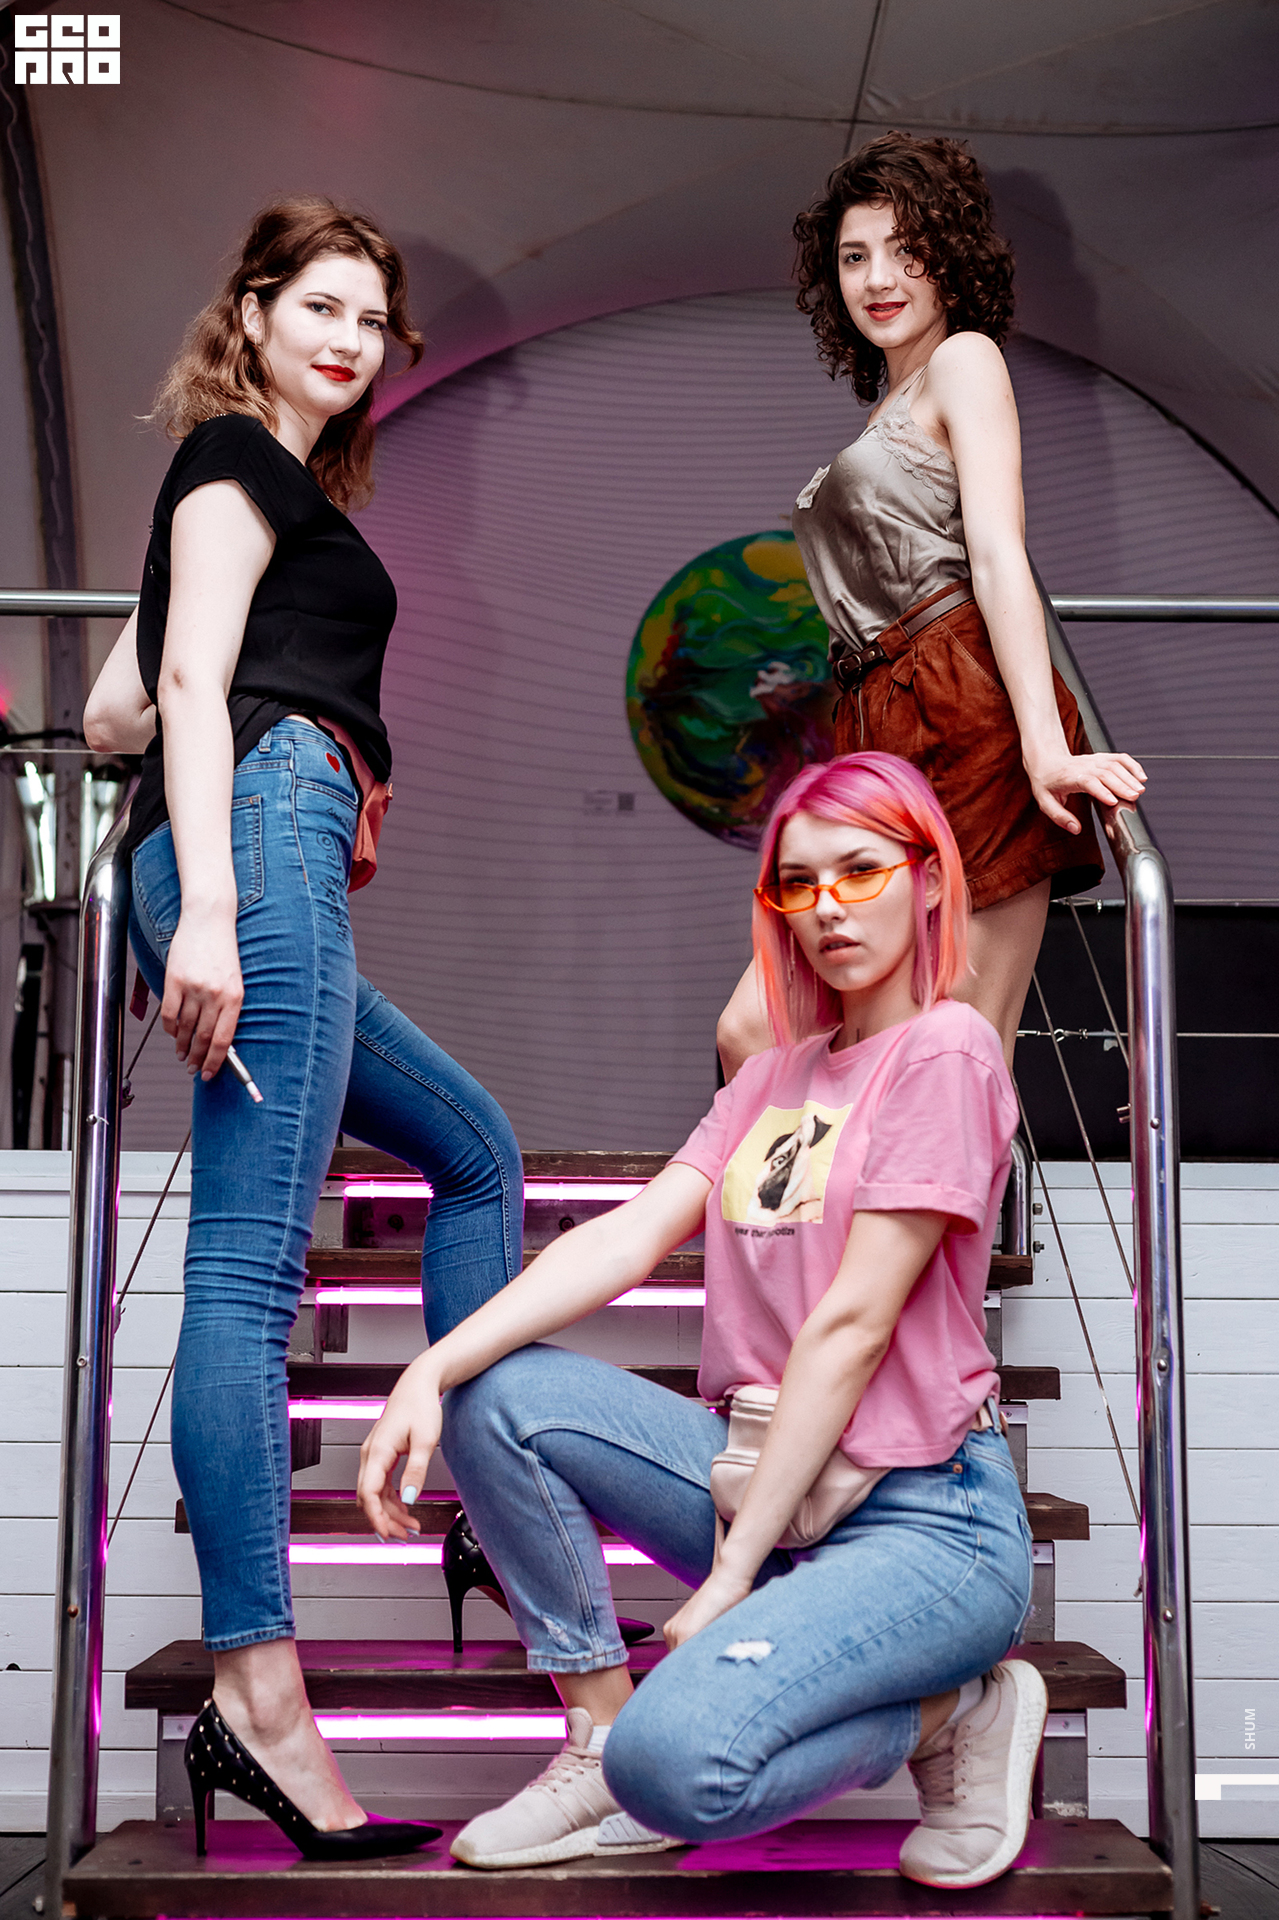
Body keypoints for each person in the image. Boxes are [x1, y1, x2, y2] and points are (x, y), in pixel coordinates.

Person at [358, 751, 1047, 1892]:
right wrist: (426, 1371)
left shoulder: (948, 1052)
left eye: (862, 871)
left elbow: (851, 1326)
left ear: (929, 881)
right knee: (497, 1392)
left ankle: (950, 1714)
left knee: (675, 1770)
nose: (829, 906)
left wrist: (729, 1577)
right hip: (766, 1481)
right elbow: (626, 1239)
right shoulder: (771, 1079)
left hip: (927, 1520)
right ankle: (594, 1734)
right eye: (799, 882)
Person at [82, 198, 526, 1859]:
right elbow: (191, 697)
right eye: (318, 306)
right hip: (257, 845)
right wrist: (203, 907)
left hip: (268, 842)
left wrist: (195, 860)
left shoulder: (247, 487)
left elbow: (117, 704)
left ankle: (486, 1489)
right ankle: (257, 1691)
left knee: (473, 1153)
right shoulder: (231, 461)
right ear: (255, 312)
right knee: (246, 1271)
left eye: (369, 318)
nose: (348, 339)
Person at [718, 131, 1146, 1077]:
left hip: (958, 701)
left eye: (905, 250)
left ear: (950, 257)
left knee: (948, 1052)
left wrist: (1043, 746)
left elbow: (997, 556)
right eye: (853, 256)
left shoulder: (964, 360)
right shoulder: (891, 402)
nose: (878, 278)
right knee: (760, 1028)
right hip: (875, 719)